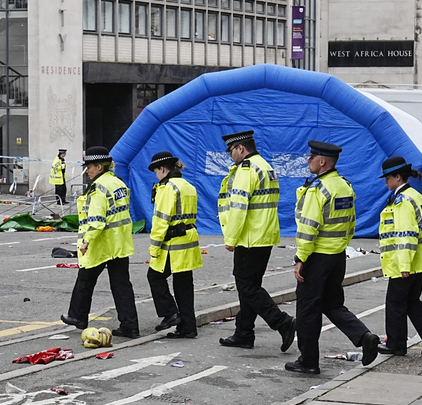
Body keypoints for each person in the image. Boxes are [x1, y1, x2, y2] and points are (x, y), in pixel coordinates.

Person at [286, 141, 380, 375]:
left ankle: (308, 361)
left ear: (322, 162)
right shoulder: (345, 187)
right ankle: (364, 337)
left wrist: (301, 258)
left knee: (307, 310)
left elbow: (308, 228)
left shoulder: (320, 189)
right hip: (337, 256)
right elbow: (351, 224)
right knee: (332, 304)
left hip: (316, 257)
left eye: (311, 158)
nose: (308, 161)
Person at [217, 130, 296, 351]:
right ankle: (243, 333)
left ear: (241, 148)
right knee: (250, 287)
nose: (230, 156)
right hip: (265, 234)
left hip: (250, 236)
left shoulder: (246, 169)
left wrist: (231, 237)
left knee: (247, 286)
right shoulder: (266, 166)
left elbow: (240, 206)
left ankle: (282, 323)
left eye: (231, 151)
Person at [60, 146, 140, 338]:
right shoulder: (118, 183)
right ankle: (130, 325)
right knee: (121, 285)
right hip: (120, 242)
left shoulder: (98, 188)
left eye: (90, 167)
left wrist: (86, 241)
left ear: (100, 167)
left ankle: (78, 316)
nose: (87, 170)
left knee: (85, 279)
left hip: (102, 243)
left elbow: (96, 219)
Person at [376, 156, 422, 357]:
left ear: (397, 177)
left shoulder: (403, 202)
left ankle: (396, 344)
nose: (385, 182)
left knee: (395, 304)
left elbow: (406, 235)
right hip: (419, 261)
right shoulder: (417, 196)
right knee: (412, 302)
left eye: (387, 178)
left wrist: (404, 265)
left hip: (405, 263)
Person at [146, 152, 202, 339]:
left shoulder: (168, 188)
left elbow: (161, 220)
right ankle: (188, 326)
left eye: (156, 171)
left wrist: (154, 248)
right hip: (188, 240)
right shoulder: (188, 185)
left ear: (162, 169)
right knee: (184, 285)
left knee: (154, 276)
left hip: (172, 243)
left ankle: (170, 314)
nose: (156, 175)